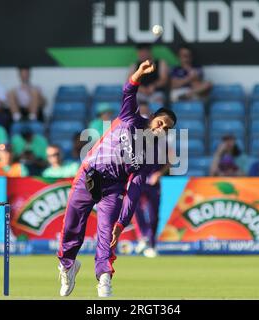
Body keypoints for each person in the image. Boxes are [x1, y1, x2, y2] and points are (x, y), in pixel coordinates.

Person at [58, 60, 176, 298]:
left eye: (166, 129)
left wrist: (122, 224)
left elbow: (134, 190)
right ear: (152, 117)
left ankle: (104, 280)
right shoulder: (130, 118)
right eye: (160, 122)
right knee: (72, 225)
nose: (161, 128)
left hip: (114, 188)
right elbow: (128, 91)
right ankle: (68, 265)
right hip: (89, 175)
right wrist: (138, 75)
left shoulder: (152, 155)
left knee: (107, 232)